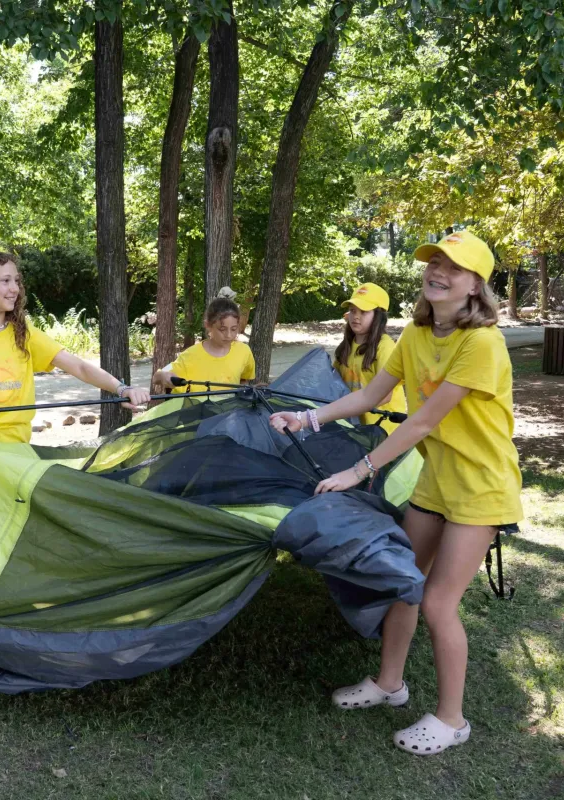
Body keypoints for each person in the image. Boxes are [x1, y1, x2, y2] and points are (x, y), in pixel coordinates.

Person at [270, 230, 522, 756]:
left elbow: (423, 421)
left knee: (438, 603)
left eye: (454, 267)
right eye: (434, 262)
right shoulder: (415, 335)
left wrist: (359, 470)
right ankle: (389, 684)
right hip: (436, 482)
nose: (439, 272)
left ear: (475, 286)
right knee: (404, 581)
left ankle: (452, 720)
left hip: (481, 489)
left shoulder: (481, 343)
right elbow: (369, 395)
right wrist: (308, 418)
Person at [0, 251, 151, 488]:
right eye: (5, 281)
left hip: (15, 459)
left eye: (16, 280)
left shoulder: (24, 334)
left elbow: (79, 367)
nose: (14, 288)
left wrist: (122, 389)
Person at [333, 283, 407, 432]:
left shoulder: (385, 347)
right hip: (354, 428)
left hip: (383, 430)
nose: (356, 316)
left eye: (364, 312)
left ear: (378, 317)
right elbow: (333, 382)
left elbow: (384, 396)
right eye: (352, 311)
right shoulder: (346, 346)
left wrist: (343, 410)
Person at [152, 288, 255, 393]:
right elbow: (156, 377)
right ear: (208, 325)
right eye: (222, 329)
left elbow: (244, 380)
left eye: (233, 329)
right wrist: (163, 376)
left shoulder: (244, 351)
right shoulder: (189, 356)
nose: (229, 335)